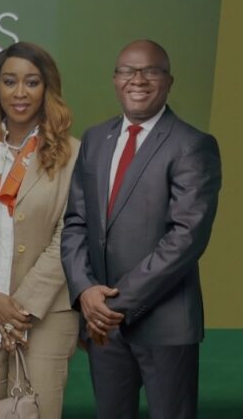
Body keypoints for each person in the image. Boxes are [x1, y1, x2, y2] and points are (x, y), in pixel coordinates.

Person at [61, 39, 222, 419]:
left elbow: (186, 238)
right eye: (128, 71)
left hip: (164, 325)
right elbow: (75, 224)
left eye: (151, 70)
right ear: (115, 80)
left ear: (169, 80)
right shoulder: (96, 140)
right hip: (103, 328)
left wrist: (113, 304)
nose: (139, 79)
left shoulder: (192, 145)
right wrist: (85, 291)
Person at [0, 42, 80, 418]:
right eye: (10, 81)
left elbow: (72, 232)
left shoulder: (72, 153)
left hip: (46, 314)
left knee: (37, 411)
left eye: (32, 82)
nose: (20, 92)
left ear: (47, 89)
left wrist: (19, 309)